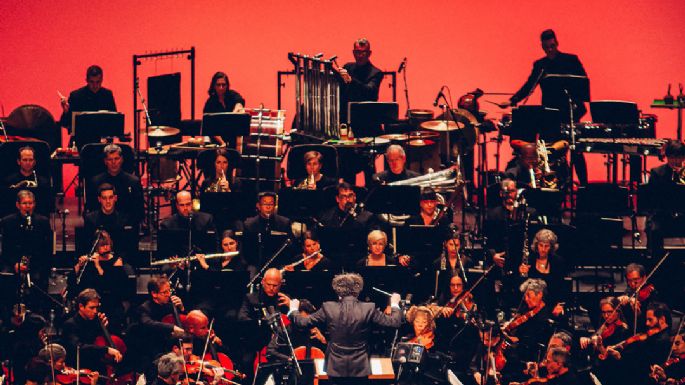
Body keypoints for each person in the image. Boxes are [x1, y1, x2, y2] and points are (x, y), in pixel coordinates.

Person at [499, 29, 589, 185]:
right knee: (549, 152)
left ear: (556, 43)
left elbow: (582, 83)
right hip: (549, 115)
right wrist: (513, 100)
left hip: (570, 113)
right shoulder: (541, 65)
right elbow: (529, 86)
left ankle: (584, 187)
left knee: (576, 151)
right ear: (542, 46)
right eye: (547, 47)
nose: (550, 49)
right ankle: (554, 185)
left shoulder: (571, 60)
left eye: (552, 46)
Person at [288, 272, 402, 385]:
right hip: (360, 367)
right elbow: (394, 322)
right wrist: (395, 304)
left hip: (335, 367)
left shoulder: (328, 307)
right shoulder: (369, 308)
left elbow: (301, 322)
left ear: (338, 292)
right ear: (358, 291)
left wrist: (293, 309)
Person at [72, 230, 129, 330]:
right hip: (91, 300)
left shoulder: (117, 261)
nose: (106, 248)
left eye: (107, 244)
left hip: (111, 302)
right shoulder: (91, 260)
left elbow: (112, 286)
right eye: (102, 245)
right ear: (96, 247)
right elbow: (79, 284)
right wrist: (78, 267)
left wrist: (98, 266)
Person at [129, 275, 185, 376]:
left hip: (167, 346)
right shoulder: (144, 308)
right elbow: (148, 323)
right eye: (165, 292)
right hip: (149, 349)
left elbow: (184, 322)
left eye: (169, 291)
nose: (169, 295)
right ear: (154, 294)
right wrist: (172, 327)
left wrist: (181, 308)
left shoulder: (169, 305)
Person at [0, 190, 52, 295]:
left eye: (30, 203)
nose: (28, 206)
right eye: (24, 203)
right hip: (14, 262)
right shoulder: (7, 221)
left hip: (36, 262)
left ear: (34, 204)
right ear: (17, 205)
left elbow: (46, 247)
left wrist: (33, 264)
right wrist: (15, 263)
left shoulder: (43, 221)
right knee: (7, 279)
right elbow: (6, 247)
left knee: (39, 278)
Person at [61, 289, 122, 371]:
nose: (95, 311)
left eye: (97, 307)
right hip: (80, 369)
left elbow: (106, 339)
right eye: (92, 308)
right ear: (81, 306)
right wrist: (106, 350)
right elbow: (79, 347)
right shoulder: (70, 324)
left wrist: (105, 327)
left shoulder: (96, 321)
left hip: (98, 368)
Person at [59, 65, 117, 148]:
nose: (95, 85)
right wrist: (66, 112)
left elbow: (114, 121)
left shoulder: (107, 95)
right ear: (86, 80)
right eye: (92, 82)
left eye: (98, 82)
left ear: (102, 80)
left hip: (103, 143)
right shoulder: (76, 96)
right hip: (81, 143)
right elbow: (65, 123)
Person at [87, 144, 144, 226]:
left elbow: (139, 211)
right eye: (110, 159)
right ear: (105, 161)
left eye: (116, 159)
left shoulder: (133, 182)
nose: (113, 162)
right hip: (102, 225)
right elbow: (91, 210)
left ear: (121, 160)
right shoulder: (95, 182)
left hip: (127, 226)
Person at [646, 139, 685, 257]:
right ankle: (656, 261)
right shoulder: (657, 173)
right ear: (667, 157)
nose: (676, 161)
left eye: (679, 157)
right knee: (653, 229)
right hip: (663, 216)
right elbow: (652, 199)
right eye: (672, 157)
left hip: (683, 215)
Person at [82, 183, 137, 263]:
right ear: (99, 199)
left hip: (119, 260)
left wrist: (118, 260)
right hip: (97, 260)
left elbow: (128, 246)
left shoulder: (125, 219)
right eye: (104, 198)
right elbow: (87, 245)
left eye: (110, 198)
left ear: (115, 198)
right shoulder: (90, 219)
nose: (108, 201)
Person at [335, 38, 384, 124]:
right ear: (353, 53)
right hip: (345, 118)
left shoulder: (376, 73)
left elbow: (369, 91)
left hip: (365, 119)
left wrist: (351, 80)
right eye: (357, 52)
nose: (360, 55)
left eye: (363, 52)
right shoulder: (348, 67)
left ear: (369, 53)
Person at [159, 190, 218, 260]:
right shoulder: (167, 225)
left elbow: (214, 245)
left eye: (188, 204)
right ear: (177, 206)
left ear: (192, 203)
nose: (185, 208)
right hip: (178, 263)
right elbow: (165, 251)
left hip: (202, 261)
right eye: (182, 205)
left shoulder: (206, 219)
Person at [241, 191, 293, 269]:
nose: (268, 206)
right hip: (256, 264)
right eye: (265, 204)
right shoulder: (249, 224)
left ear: (275, 206)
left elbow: (290, 247)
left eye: (271, 204)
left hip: (278, 263)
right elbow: (245, 249)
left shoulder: (284, 223)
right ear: (258, 206)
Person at [518, 229, 567, 306]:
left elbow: (561, 286)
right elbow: (522, 286)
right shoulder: (529, 260)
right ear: (536, 245)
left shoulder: (557, 261)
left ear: (551, 247)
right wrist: (521, 273)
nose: (543, 249)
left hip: (551, 302)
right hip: (532, 303)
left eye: (546, 246)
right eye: (541, 245)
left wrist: (560, 304)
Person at [203, 71, 246, 147]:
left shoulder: (232, 95)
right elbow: (211, 128)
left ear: (227, 85)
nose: (221, 88)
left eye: (224, 85)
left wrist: (236, 110)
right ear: (214, 86)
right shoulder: (210, 103)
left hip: (234, 137)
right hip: (218, 140)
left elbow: (239, 101)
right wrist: (222, 143)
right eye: (218, 85)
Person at [617, 263, 659, 333]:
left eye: (636, 279)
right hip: (631, 328)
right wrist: (621, 298)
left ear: (644, 277)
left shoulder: (652, 293)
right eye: (629, 280)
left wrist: (638, 312)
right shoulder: (630, 290)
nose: (632, 283)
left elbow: (652, 320)